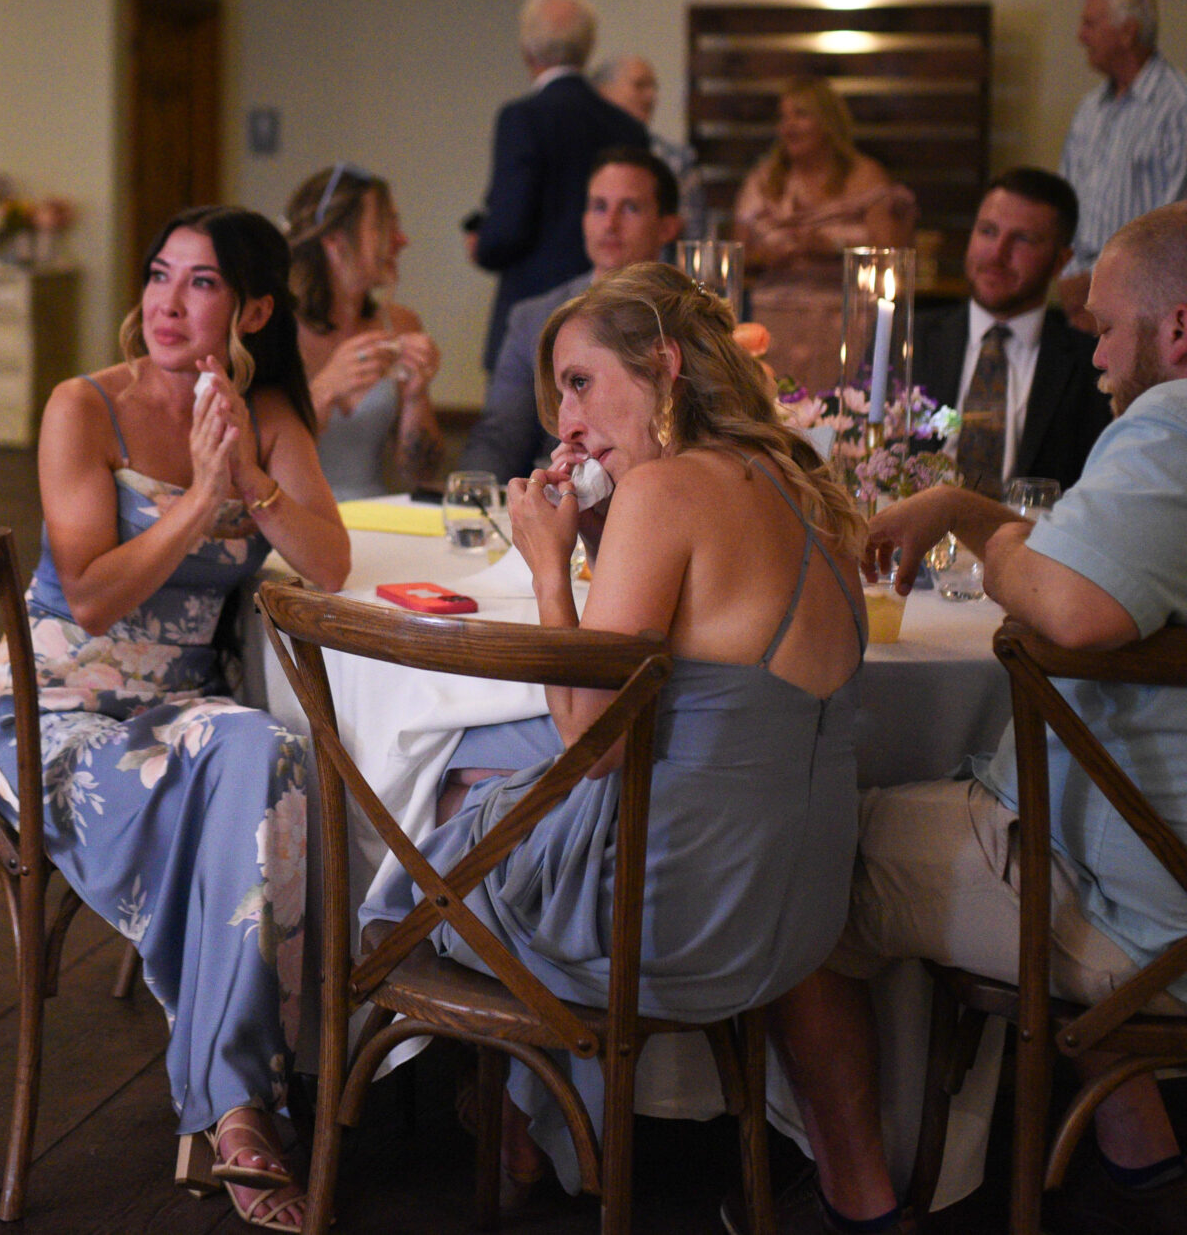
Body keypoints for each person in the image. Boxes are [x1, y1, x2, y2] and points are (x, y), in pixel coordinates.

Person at [769, 200, 1187, 1235]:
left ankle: (858, 1198)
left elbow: (1080, 608)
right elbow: (1122, 557)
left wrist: (991, 558)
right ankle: (1143, 1169)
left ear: (1177, 330)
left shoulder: (1179, 426)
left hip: (1153, 924)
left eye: (1105, 327)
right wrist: (962, 509)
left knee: (791, 859)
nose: (1095, 356)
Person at [364, 262, 864, 1199]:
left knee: (435, 835)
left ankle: (478, 1125)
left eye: (581, 382)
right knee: (499, 797)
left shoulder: (668, 491)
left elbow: (590, 733)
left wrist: (550, 565)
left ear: (665, 366)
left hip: (669, 924)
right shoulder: (805, 485)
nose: (565, 421)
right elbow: (682, 651)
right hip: (797, 916)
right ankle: (524, 1124)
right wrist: (598, 534)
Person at [0, 206, 349, 1232]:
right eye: (159, 275)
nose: (168, 303)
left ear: (254, 308)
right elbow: (90, 594)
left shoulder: (266, 409)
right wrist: (200, 497)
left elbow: (331, 559)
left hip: (181, 708)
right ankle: (239, 1106)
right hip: (57, 704)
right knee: (248, 759)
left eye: (201, 283)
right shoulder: (81, 405)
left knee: (265, 748)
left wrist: (253, 472)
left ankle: (229, 1094)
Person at [465, 147, 682, 481]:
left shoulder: (686, 315)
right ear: (583, 219)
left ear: (667, 226)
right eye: (598, 207)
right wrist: (471, 498)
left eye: (631, 208)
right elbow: (500, 437)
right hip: (565, 499)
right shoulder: (533, 318)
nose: (610, 224)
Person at [470, 0, 649, 374]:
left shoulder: (523, 118)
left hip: (534, 318)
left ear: (527, 50)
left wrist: (483, 245)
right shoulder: (627, 126)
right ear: (588, 47)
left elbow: (508, 227)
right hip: (612, 312)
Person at [909, 167, 1109, 497]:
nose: (997, 254)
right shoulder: (909, 340)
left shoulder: (1092, 365)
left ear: (1061, 261)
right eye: (987, 231)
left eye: (1023, 239)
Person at [1054, 0, 1187, 329]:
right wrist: (1068, 281)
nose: (1080, 36)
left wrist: (1101, 285)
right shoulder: (1089, 109)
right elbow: (1063, 204)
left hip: (1143, 304)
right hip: (1075, 301)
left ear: (1127, 31)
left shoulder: (1184, 104)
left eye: (1090, 23)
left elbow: (1174, 220)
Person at [734, 78, 914, 391]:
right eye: (783, 117)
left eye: (800, 115)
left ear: (829, 121)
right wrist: (769, 256)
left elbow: (891, 255)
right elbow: (736, 257)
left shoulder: (865, 176)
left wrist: (833, 247)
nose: (788, 126)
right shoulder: (764, 180)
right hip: (774, 321)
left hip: (846, 318)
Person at [280, 165, 442, 502]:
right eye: (385, 227)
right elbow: (255, 462)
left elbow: (421, 473)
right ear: (335, 241)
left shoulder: (400, 325)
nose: (402, 240)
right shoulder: (272, 327)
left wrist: (416, 396)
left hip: (377, 516)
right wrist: (324, 390)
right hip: (292, 518)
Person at [595, 53, 708, 235]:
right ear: (604, 92)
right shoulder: (582, 153)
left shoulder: (677, 160)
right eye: (640, 85)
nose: (651, 96)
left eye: (653, 87)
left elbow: (694, 234)